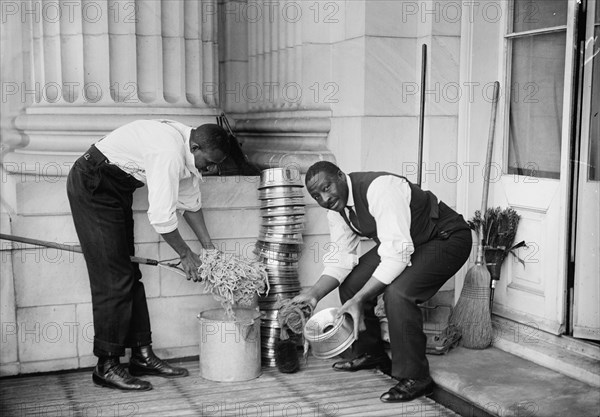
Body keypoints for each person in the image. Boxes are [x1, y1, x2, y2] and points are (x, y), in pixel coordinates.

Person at [67, 119, 231, 391]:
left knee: (130, 274)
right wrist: (185, 254)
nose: (213, 169)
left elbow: (190, 204)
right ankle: (106, 365)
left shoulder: (188, 154)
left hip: (116, 190)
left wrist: (209, 248)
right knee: (113, 278)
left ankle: (141, 355)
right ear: (195, 146)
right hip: (93, 184)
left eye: (217, 165)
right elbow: (161, 218)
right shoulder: (168, 152)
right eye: (210, 163)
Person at [294, 161, 472, 402]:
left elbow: (397, 256)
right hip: (410, 243)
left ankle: (417, 377)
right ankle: (371, 353)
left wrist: (360, 300)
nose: (324, 198)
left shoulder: (380, 189)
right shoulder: (337, 211)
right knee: (352, 282)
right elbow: (341, 260)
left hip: (445, 238)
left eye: (327, 187)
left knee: (399, 293)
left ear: (340, 175)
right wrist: (313, 295)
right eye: (317, 195)